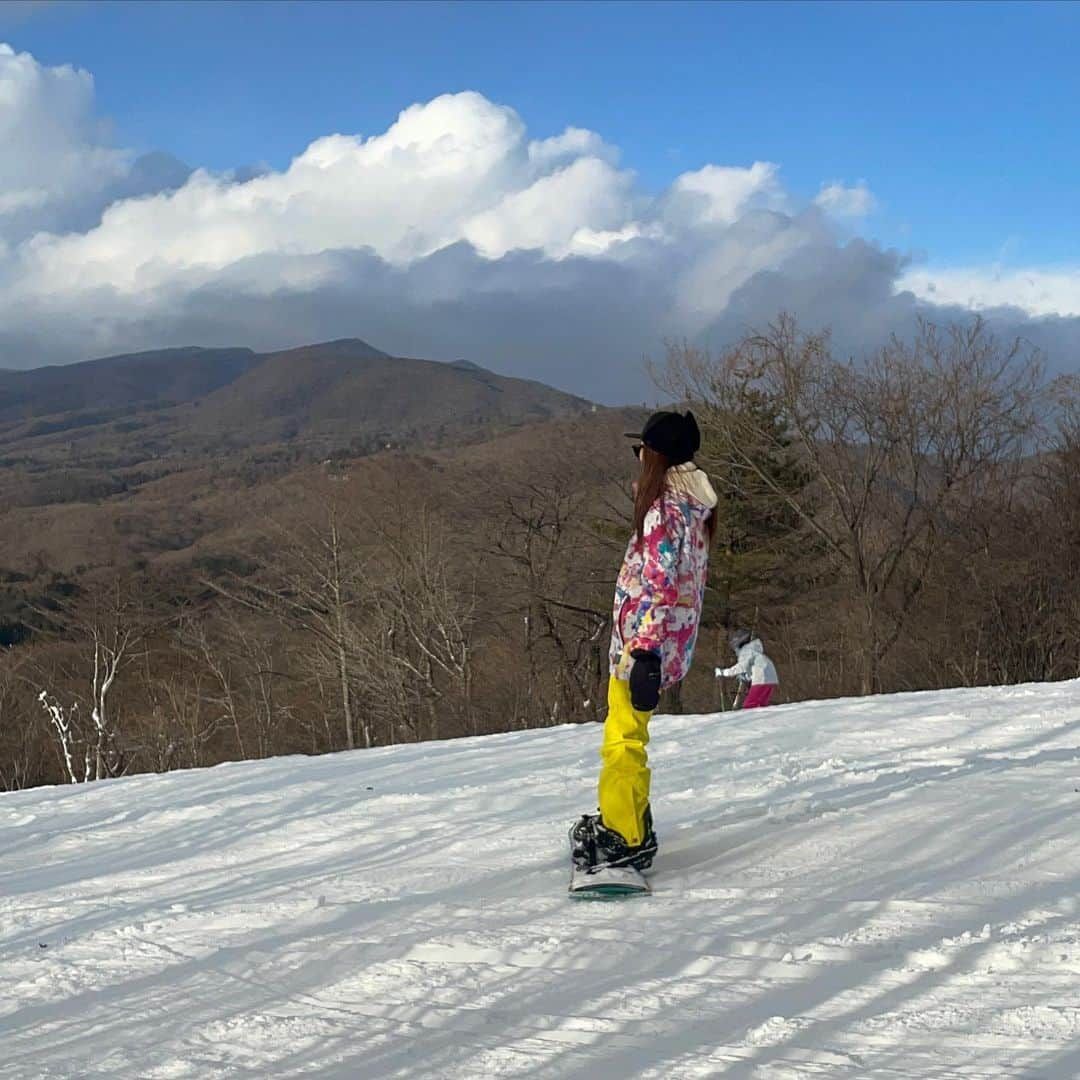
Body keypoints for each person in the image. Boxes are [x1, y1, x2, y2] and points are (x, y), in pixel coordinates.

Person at [571, 410, 717, 874]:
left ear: (658, 457)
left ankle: (624, 835)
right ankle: (629, 820)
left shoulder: (664, 512)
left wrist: (645, 652)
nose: (638, 457)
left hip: (642, 650)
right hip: (663, 646)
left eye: (643, 450)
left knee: (621, 742)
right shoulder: (694, 510)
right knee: (629, 737)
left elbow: (660, 585)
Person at [715, 629, 779, 708]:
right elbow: (753, 666)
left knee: (749, 706)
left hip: (761, 679)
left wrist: (723, 672)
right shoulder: (754, 651)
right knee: (761, 705)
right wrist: (747, 677)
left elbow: (741, 667)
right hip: (770, 679)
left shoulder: (746, 651)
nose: (735, 651)